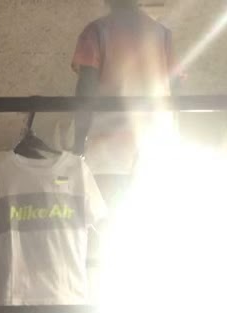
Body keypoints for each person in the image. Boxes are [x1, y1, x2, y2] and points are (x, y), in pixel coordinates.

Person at [72, 0, 176, 197]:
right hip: (155, 143)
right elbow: (176, 87)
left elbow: (86, 91)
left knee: (105, 212)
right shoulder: (162, 34)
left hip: (109, 147)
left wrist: (78, 143)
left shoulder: (96, 31)